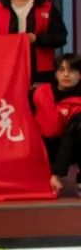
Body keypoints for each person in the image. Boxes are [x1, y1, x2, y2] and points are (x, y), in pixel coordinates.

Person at [33, 54, 81, 195]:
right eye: (61, 70)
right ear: (55, 73)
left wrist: (56, 174)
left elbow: (70, 137)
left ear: (80, 75)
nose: (66, 74)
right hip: (43, 146)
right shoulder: (40, 92)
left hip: (72, 147)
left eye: (72, 70)